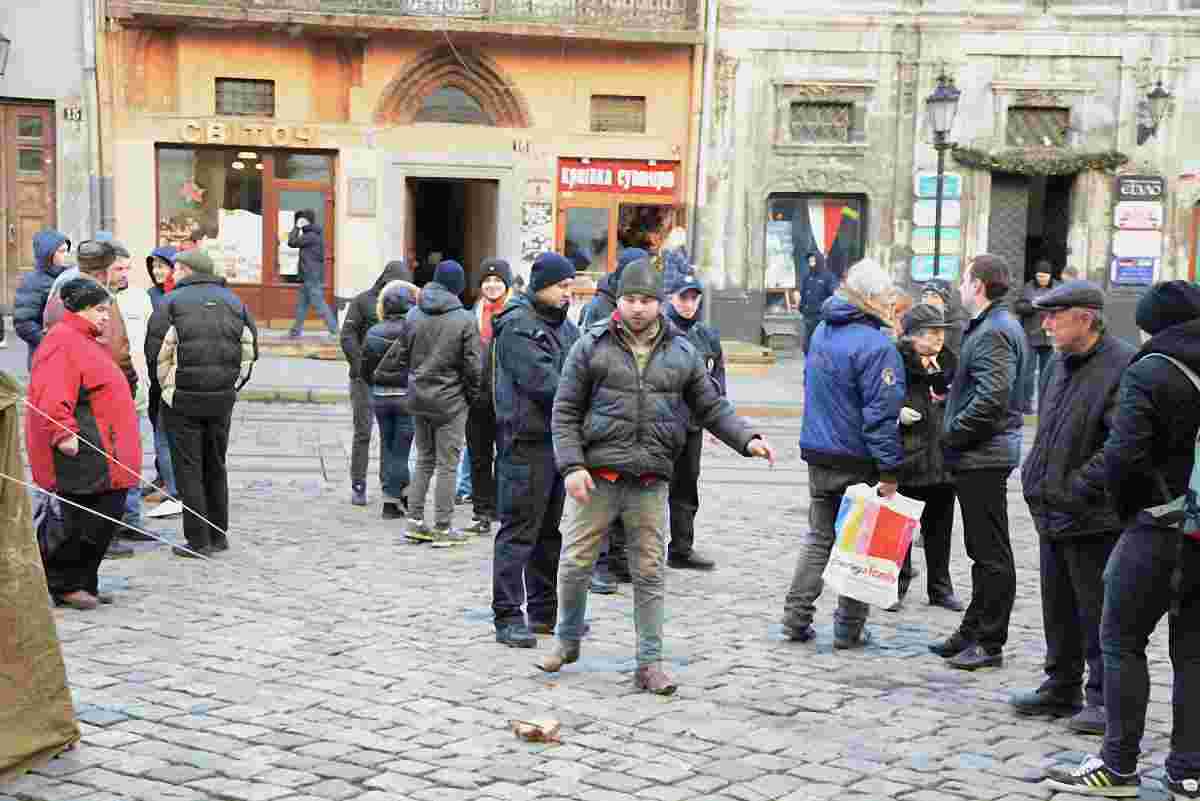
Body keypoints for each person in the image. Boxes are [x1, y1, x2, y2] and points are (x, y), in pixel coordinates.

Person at [541, 257, 776, 694]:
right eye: (630, 299)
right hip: (597, 476)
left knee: (649, 573)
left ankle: (649, 664)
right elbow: (565, 410)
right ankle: (567, 640)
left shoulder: (682, 352)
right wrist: (571, 465)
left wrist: (747, 439)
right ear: (619, 301)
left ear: (659, 303)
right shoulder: (591, 345)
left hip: (650, 479)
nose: (637, 308)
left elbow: (711, 405)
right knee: (574, 564)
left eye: (646, 300)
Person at [1046, 281, 1200, 798]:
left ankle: (1117, 767)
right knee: (1193, 653)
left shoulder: (1150, 369)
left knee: (1120, 642)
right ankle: (1188, 771)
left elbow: (1124, 453)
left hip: (1158, 527)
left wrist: (1081, 492)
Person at [1013, 280, 1133, 737]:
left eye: (1054, 316)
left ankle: (1101, 697)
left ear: (1085, 318)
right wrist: (1037, 478)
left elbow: (1123, 445)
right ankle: (1061, 684)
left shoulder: (1122, 365)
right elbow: (1048, 430)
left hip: (1092, 514)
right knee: (1057, 606)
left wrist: (1079, 487)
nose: (1045, 324)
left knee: (1096, 609)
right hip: (1052, 508)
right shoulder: (1057, 363)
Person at [780, 258, 905, 648]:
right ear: (869, 298)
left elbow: (811, 384)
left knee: (820, 536)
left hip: (819, 450)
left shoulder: (822, 330)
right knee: (860, 545)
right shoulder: (877, 345)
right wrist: (889, 470)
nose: (891, 303)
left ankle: (795, 617)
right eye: (886, 296)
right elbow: (881, 416)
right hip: (856, 456)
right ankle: (849, 629)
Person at [929, 253, 1031, 670]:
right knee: (982, 550)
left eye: (964, 279)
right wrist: (953, 394)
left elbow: (992, 399)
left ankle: (989, 642)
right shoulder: (995, 326)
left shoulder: (994, 330)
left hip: (983, 454)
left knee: (990, 553)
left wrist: (952, 433)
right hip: (984, 452)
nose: (959, 287)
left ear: (978, 286)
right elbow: (985, 388)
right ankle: (972, 631)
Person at [26, 279, 141, 609]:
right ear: (80, 309)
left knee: (105, 516)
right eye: (100, 310)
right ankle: (64, 583)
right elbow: (51, 394)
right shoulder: (62, 341)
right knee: (81, 520)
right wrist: (63, 433)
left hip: (106, 447)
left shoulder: (86, 340)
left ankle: (85, 580)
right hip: (83, 448)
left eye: (107, 309)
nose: (106, 317)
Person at [490, 253, 580, 647]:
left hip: (556, 442)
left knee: (548, 533)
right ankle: (508, 616)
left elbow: (582, 369)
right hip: (524, 442)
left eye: (570, 286)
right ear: (541, 286)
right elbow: (545, 383)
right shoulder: (517, 326)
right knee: (518, 532)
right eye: (562, 286)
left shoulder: (565, 327)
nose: (568, 293)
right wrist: (582, 400)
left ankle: (544, 613)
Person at [145, 248, 258, 558]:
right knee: (215, 464)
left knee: (189, 468)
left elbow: (155, 353)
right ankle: (218, 535)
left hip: (182, 400)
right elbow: (250, 351)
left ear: (186, 270)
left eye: (176, 268)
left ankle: (198, 541)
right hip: (222, 398)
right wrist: (233, 385)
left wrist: (166, 389)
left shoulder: (170, 302)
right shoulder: (234, 302)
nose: (172, 273)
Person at [395, 260, 482, 546]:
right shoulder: (465, 319)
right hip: (451, 401)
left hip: (419, 398)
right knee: (448, 464)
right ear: (458, 286)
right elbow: (473, 367)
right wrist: (471, 397)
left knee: (424, 459)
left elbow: (401, 356)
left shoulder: (413, 314)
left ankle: (415, 522)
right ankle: (443, 527)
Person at [581, 247, 649, 593]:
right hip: (605, 414)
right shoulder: (600, 307)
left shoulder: (640, 307)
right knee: (604, 499)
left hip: (634, 417)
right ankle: (599, 563)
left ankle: (620, 559)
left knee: (629, 492)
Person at [893, 303, 963, 613]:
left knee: (940, 529)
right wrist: (895, 413)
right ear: (911, 336)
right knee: (902, 529)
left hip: (943, 459)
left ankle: (940, 588)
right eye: (931, 332)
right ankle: (897, 585)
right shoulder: (896, 362)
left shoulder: (950, 362)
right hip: (909, 458)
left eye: (941, 332)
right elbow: (876, 399)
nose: (938, 337)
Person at [340, 259, 420, 507]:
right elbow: (347, 335)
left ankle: (390, 487)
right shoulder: (363, 301)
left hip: (395, 383)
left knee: (391, 437)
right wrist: (358, 367)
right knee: (363, 432)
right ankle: (359, 484)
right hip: (364, 378)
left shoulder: (411, 308)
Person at [664, 274, 725, 570]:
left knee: (686, 487)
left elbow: (717, 378)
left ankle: (681, 548)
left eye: (693, 298)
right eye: (683, 297)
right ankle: (628, 555)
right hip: (662, 422)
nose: (688, 304)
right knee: (645, 489)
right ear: (670, 298)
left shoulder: (707, 335)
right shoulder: (660, 330)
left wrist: (717, 420)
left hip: (692, 423)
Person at [464, 258, 513, 534]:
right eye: (487, 280)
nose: (492, 285)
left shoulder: (515, 313)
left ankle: (502, 508)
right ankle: (481, 511)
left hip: (506, 398)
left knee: (505, 457)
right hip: (477, 398)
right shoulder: (472, 313)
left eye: (497, 281)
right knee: (479, 457)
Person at [359, 281, 416, 521]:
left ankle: (403, 494)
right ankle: (391, 502)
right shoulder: (413, 330)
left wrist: (376, 384)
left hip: (381, 397)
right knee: (401, 452)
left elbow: (364, 368)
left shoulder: (373, 332)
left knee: (388, 446)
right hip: (406, 397)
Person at [143, 246, 182, 518]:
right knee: (157, 425)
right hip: (152, 373)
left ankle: (173, 487)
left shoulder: (173, 297)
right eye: (154, 266)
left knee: (166, 433)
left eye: (162, 266)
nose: (157, 271)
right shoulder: (150, 296)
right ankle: (163, 477)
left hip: (168, 375)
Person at [14, 229, 71, 365]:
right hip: (46, 356)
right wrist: (50, 342)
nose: (66, 255)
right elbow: (23, 323)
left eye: (66, 251)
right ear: (47, 254)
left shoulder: (68, 275)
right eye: (61, 251)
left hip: (69, 353)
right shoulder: (32, 282)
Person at [1015, 261, 1058, 411]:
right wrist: (1032, 306)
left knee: (1048, 374)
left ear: (1050, 276)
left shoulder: (1058, 288)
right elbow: (1018, 307)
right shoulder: (1028, 288)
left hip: (1050, 338)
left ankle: (1045, 405)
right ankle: (1026, 404)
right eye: (1039, 276)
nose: (1041, 279)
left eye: (1044, 276)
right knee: (1027, 372)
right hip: (1030, 336)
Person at [288, 209, 337, 337]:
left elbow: (292, 242)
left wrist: (296, 227)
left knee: (320, 305)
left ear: (306, 221)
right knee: (302, 306)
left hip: (311, 276)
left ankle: (335, 331)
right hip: (308, 276)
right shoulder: (312, 234)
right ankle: (295, 331)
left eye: (301, 219)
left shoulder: (311, 236)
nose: (299, 221)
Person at [799, 252, 838, 356]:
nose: (811, 263)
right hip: (808, 316)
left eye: (813, 261)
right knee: (807, 346)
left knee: (819, 346)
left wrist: (826, 311)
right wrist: (801, 307)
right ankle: (808, 362)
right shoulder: (807, 277)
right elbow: (804, 294)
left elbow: (834, 294)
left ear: (819, 261)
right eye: (809, 261)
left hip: (820, 318)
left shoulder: (828, 277)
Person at [921, 278, 968, 356]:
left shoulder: (957, 327)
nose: (928, 300)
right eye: (925, 296)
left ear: (945, 303)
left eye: (935, 296)